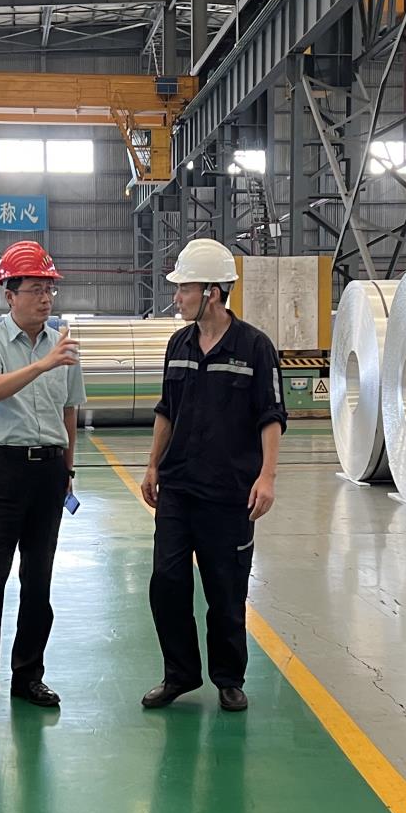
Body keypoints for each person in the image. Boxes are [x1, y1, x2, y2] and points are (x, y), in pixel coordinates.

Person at [139, 239, 286, 714]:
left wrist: (267, 476)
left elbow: (271, 416)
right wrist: (153, 464)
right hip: (179, 488)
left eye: (184, 289)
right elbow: (167, 409)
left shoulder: (255, 348)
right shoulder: (178, 345)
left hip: (229, 493)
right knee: (166, 581)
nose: (177, 297)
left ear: (213, 293)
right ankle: (180, 674)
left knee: (226, 590)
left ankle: (228, 678)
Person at [0, 240, 85, 719]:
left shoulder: (63, 343)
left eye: (49, 289)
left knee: (39, 579)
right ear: (9, 294)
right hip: (0, 471)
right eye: (35, 289)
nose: (45, 298)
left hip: (48, 471)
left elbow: (69, 410)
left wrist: (68, 468)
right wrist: (42, 364)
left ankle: (29, 675)